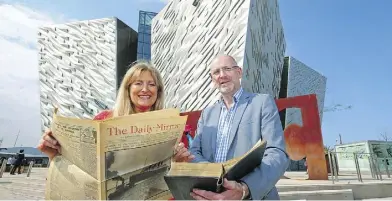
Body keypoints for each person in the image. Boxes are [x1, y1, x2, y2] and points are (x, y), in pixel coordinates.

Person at [37, 60, 194, 163]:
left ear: (158, 91)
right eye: (138, 83)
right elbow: (82, 161)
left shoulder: (173, 124)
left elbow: (181, 174)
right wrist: (55, 152)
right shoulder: (104, 119)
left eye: (151, 84)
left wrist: (180, 161)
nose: (145, 89)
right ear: (128, 88)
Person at [189, 55, 289, 200]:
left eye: (227, 69)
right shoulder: (206, 114)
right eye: (216, 72)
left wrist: (244, 188)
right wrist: (215, 175)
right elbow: (194, 152)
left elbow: (277, 153)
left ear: (239, 72)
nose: (222, 75)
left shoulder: (261, 103)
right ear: (212, 80)